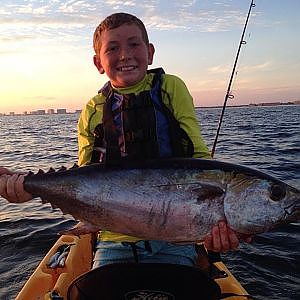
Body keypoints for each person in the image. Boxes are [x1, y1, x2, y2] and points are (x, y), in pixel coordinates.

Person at [0, 13, 246, 270]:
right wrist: (27, 188)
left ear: (150, 53)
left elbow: (199, 158)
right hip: (113, 241)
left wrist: (215, 224)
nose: (125, 55)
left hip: (177, 240)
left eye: (134, 44)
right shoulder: (93, 109)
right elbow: (85, 178)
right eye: (113, 48)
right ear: (98, 63)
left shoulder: (170, 88)